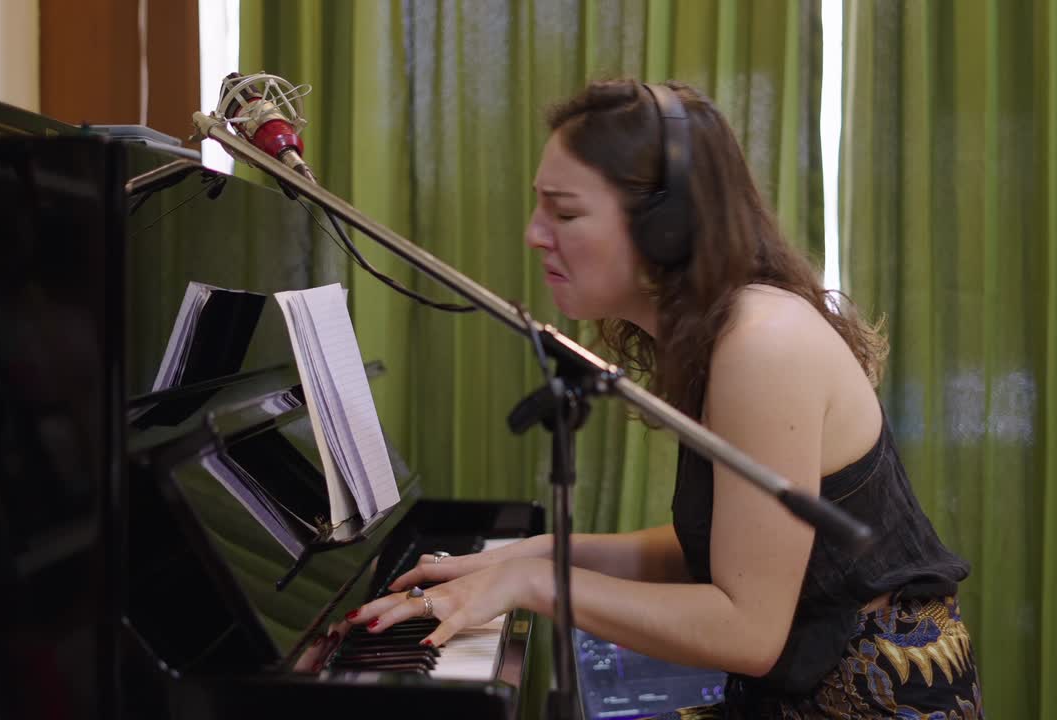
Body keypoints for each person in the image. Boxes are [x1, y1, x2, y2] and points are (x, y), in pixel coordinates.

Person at [342, 79, 982, 719]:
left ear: (668, 228)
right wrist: (535, 551)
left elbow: (749, 630)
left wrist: (537, 581)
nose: (536, 234)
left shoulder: (763, 344)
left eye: (564, 213)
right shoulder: (724, 334)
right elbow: (716, 549)